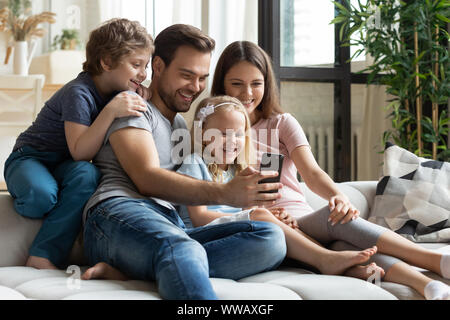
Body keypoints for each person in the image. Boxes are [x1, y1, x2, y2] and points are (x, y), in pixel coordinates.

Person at [210, 40, 450, 300]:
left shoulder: (280, 124)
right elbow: (220, 196)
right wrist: (267, 217)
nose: (247, 93)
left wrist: (338, 197)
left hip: (303, 220)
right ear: (222, 83)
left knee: (335, 219)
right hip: (268, 230)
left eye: (256, 83)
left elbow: (312, 174)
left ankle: (431, 273)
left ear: (267, 84)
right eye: (237, 83)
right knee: (344, 248)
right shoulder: (217, 134)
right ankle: (429, 275)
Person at [81, 24, 287, 300]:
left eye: (202, 77)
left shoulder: (179, 123)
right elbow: (146, 179)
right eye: (187, 75)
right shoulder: (133, 105)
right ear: (158, 65)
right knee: (183, 248)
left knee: (270, 238)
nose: (196, 87)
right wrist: (227, 192)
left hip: (171, 224)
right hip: (118, 214)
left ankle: (133, 269)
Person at [3, 18, 152, 270]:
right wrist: (110, 112)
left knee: (88, 174)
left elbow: (82, 162)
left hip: (64, 165)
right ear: (106, 62)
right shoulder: (78, 92)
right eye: (136, 65)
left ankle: (42, 256)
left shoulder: (117, 93)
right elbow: (81, 151)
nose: (143, 74)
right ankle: (32, 190)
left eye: (145, 66)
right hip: (30, 157)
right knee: (41, 197)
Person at [176, 95, 380, 277]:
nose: (231, 140)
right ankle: (326, 259)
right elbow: (199, 217)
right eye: (222, 133)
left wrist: (274, 218)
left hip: (232, 233)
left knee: (279, 229)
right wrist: (255, 216)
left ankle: (339, 265)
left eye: (238, 134)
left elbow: (244, 212)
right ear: (202, 133)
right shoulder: (195, 163)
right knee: (262, 217)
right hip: (201, 235)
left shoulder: (237, 171)